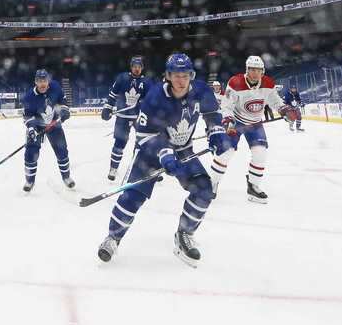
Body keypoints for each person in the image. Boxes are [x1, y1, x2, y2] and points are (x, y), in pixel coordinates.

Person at [96, 54, 232, 267]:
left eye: (185, 75)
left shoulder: (202, 91)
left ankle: (184, 234)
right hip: (150, 154)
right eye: (176, 75)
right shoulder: (155, 97)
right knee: (132, 197)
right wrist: (164, 153)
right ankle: (113, 238)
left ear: (191, 75)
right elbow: (144, 135)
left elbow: (213, 115)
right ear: (168, 76)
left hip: (184, 151)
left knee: (204, 189)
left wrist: (216, 133)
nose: (181, 80)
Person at [211, 56, 297, 203]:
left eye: (258, 70)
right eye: (251, 69)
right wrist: (228, 121)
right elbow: (226, 105)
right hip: (237, 122)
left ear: (262, 71)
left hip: (255, 124)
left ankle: (253, 186)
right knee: (226, 152)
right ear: (247, 70)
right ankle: (212, 183)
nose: (255, 73)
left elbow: (275, 101)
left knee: (260, 153)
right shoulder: (235, 82)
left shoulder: (268, 83)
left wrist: (284, 109)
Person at [21, 69, 73, 193]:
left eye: (45, 80)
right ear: (35, 82)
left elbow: (63, 101)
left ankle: (66, 177)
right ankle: (29, 181)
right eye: (40, 81)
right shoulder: (29, 97)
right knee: (30, 153)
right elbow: (27, 116)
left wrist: (65, 110)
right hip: (37, 125)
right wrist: (32, 129)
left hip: (54, 123)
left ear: (48, 81)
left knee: (62, 151)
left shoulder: (55, 87)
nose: (43, 83)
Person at [101, 56, 151, 181]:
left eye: (139, 67)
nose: (137, 69)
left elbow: (151, 99)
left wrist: (144, 102)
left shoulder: (146, 82)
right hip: (122, 117)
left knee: (144, 143)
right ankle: (113, 169)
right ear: (131, 67)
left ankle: (141, 168)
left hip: (139, 117)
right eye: (135, 66)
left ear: (142, 68)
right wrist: (107, 108)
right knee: (119, 143)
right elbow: (112, 95)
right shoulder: (122, 78)